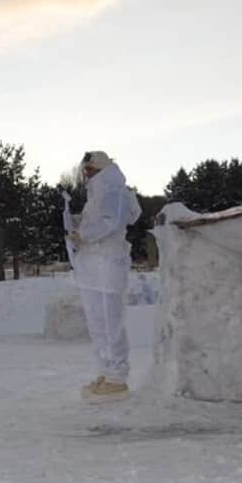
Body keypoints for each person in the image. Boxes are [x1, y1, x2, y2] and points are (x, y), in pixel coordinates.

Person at [67, 151, 141, 402]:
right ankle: (106, 372)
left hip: (108, 264)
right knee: (97, 321)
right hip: (92, 265)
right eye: (85, 170)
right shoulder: (97, 194)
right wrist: (79, 224)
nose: (86, 174)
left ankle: (117, 378)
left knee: (111, 322)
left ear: (100, 169)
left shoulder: (114, 190)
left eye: (89, 169)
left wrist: (84, 234)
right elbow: (102, 221)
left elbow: (112, 222)